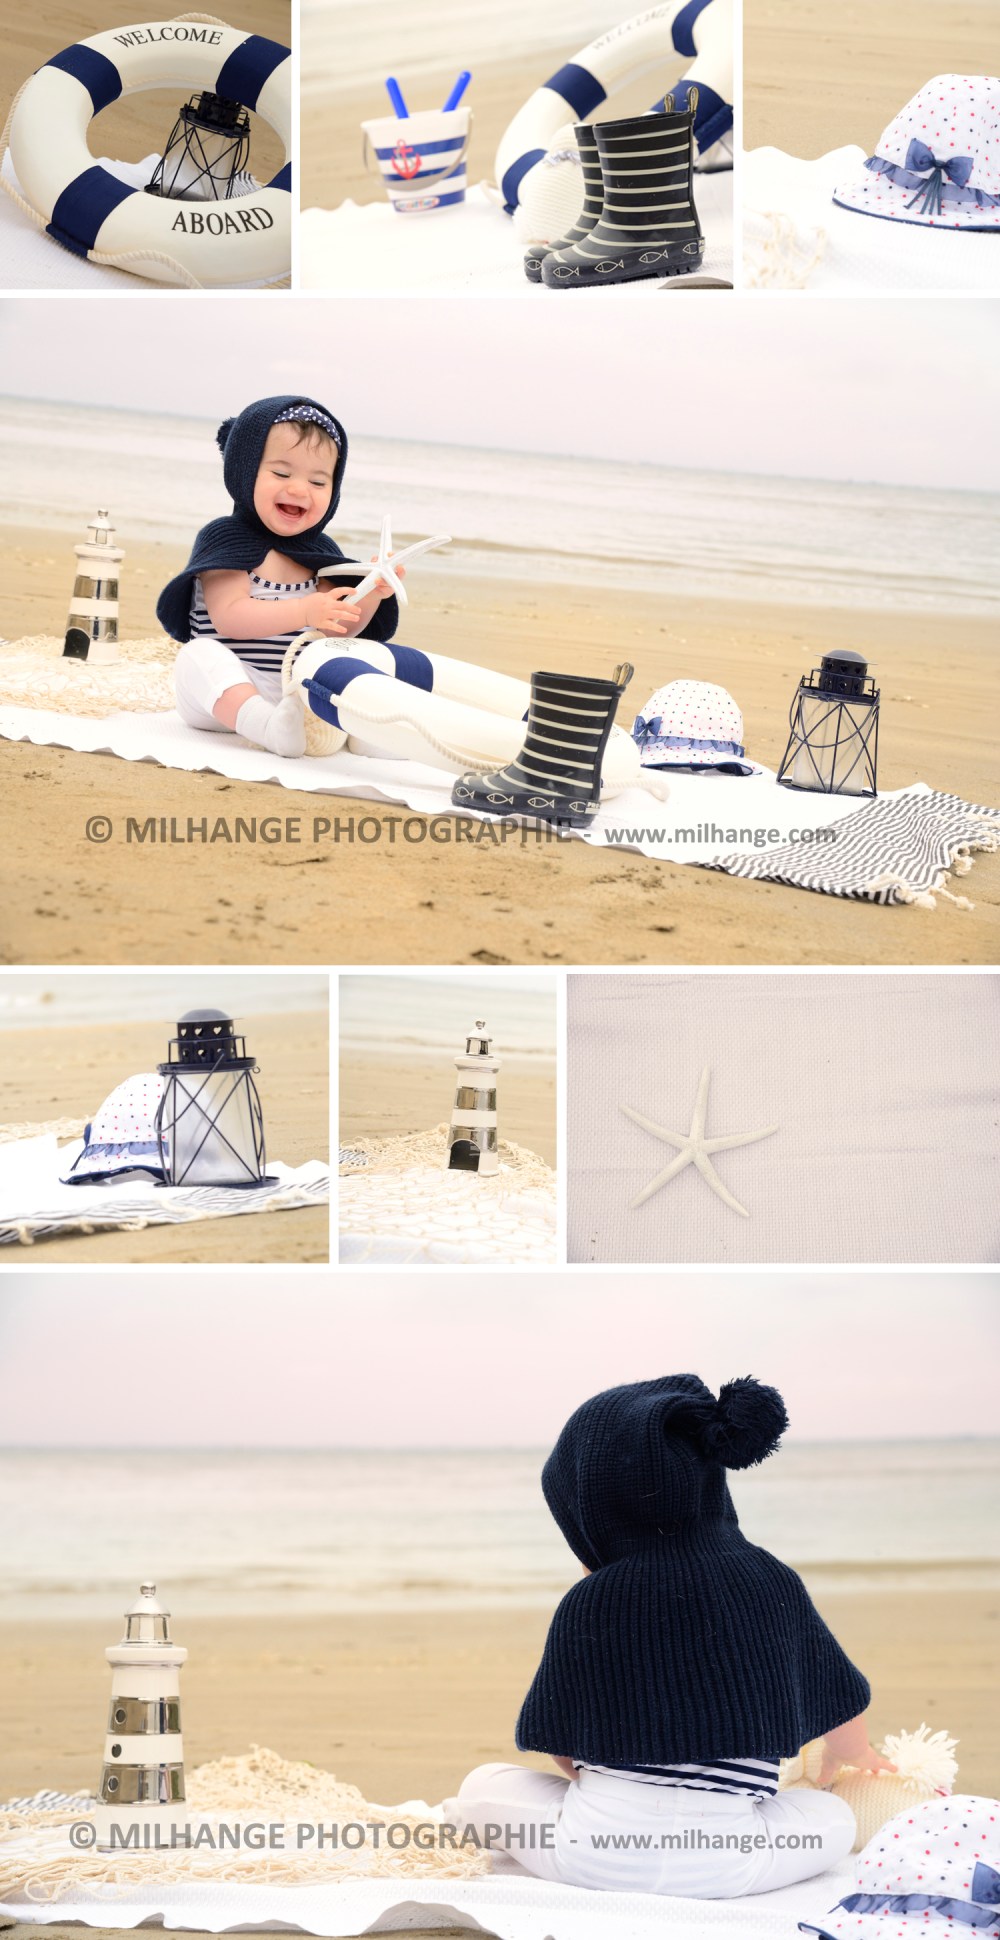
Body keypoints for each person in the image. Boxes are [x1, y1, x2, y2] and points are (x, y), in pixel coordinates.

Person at [457, 1373, 894, 1897]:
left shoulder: (588, 1603)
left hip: (592, 1856)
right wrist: (859, 1755)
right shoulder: (770, 1579)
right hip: (731, 1863)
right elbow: (836, 1696)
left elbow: (564, 1752)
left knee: (482, 1788)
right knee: (832, 1817)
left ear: (592, 1513)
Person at [156, 394, 400, 757]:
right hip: (225, 692)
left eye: (319, 482)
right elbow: (230, 618)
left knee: (365, 658)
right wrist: (303, 611)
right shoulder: (226, 539)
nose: (300, 489)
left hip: (295, 690)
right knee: (198, 655)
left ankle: (371, 730)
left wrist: (372, 594)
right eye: (282, 473)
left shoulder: (321, 552)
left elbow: (338, 628)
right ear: (244, 472)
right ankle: (262, 725)